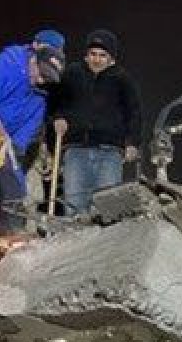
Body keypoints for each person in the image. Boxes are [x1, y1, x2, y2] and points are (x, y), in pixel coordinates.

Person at [0, 29, 66, 232]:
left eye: (48, 78)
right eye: (41, 74)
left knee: (14, 185)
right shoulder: (4, 64)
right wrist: (0, 139)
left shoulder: (39, 98)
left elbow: (21, 141)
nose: (42, 80)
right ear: (34, 59)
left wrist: (12, 162)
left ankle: (10, 231)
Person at [52, 30, 142, 215]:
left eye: (103, 55)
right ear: (86, 55)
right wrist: (58, 117)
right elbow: (56, 101)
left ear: (111, 58)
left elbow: (134, 112)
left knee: (107, 206)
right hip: (76, 149)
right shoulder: (72, 74)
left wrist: (132, 142)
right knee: (74, 203)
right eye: (93, 54)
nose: (97, 59)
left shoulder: (122, 79)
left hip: (109, 151)